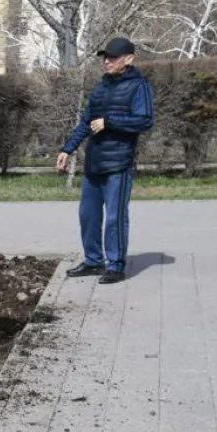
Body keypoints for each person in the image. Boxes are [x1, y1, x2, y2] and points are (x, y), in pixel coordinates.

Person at [57, 36, 155, 285]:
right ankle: (93, 261)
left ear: (129, 59)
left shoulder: (139, 86)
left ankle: (116, 266)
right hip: (94, 163)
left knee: (115, 217)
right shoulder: (101, 87)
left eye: (112, 57)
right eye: (105, 57)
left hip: (119, 165)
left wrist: (110, 122)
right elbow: (86, 122)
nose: (107, 62)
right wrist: (68, 149)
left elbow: (145, 121)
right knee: (87, 215)